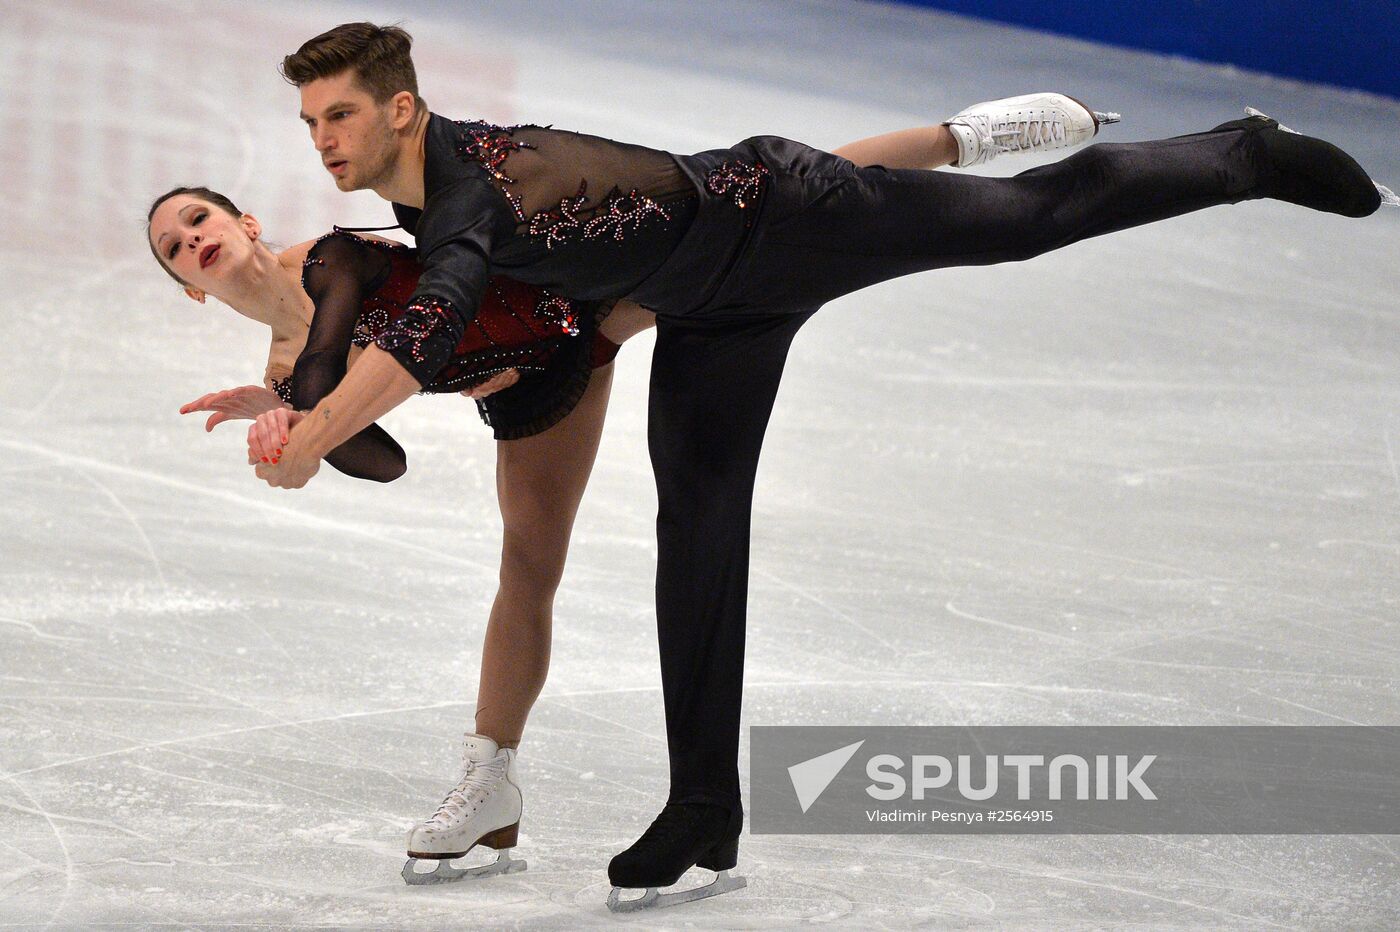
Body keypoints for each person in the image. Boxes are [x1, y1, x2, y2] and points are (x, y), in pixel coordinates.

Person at [254, 21, 1389, 910]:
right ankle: (702, 805)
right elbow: (415, 322)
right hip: (713, 308)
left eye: (340, 115)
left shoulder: (468, 199)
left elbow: (429, 330)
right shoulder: (433, 196)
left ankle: (1235, 153)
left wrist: (308, 439)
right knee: (696, 529)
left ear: (400, 107)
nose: (323, 141)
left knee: (1021, 220)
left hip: (791, 211)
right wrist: (295, 393)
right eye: (310, 123)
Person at [151, 93, 1070, 885]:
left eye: (199, 219)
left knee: (769, 204)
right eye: (174, 247)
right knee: (528, 565)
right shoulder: (282, 370)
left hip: (576, 286)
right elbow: (381, 460)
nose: (194, 240)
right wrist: (280, 424)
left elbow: (348, 345)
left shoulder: (328, 260)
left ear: (247, 223)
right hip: (544, 381)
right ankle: (490, 781)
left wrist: (299, 416)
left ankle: (962, 139)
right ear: (187, 289)